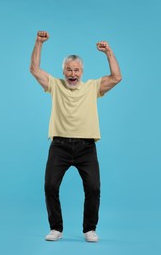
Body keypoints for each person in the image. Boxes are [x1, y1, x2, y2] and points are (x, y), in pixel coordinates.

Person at [30, 31, 122, 242]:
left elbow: (117, 77)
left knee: (93, 188)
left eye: (76, 70)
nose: (73, 73)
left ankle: (90, 229)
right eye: (69, 70)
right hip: (59, 145)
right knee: (50, 186)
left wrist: (108, 52)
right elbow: (34, 69)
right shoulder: (55, 85)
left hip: (86, 147)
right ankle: (56, 228)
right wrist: (39, 43)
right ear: (63, 71)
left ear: (82, 71)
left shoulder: (92, 87)